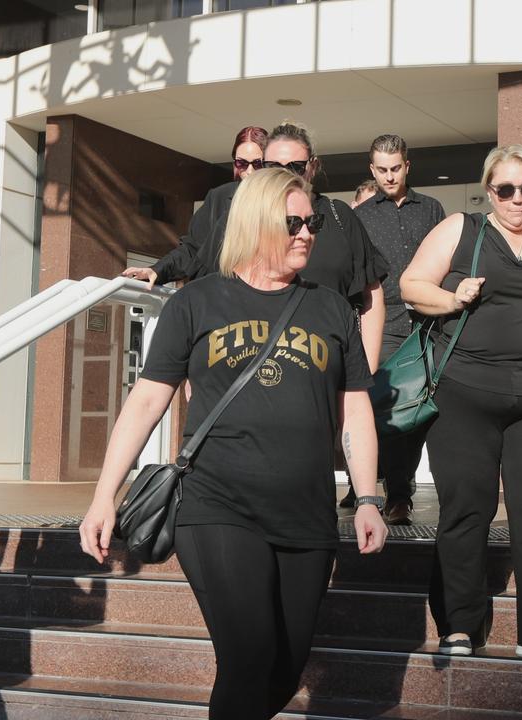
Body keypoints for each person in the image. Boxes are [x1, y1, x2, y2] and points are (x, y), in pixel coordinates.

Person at [78, 167, 388, 719]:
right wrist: (105, 497)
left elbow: (355, 410)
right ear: (257, 223)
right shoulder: (196, 303)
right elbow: (146, 402)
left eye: (311, 222)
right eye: (292, 222)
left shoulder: (333, 309)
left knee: (285, 668)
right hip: (217, 506)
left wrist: (367, 498)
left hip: (307, 513)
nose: (306, 233)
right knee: (248, 655)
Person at [401, 145, 522, 663]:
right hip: (464, 394)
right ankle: (460, 624)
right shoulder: (463, 229)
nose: (517, 199)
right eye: (506, 189)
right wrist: (454, 298)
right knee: (466, 510)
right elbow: (411, 285)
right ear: (490, 191)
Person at [122, 121, 387, 373]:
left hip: (329, 368)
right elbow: (196, 255)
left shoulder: (339, 217)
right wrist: (159, 270)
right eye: (273, 166)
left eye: (296, 166)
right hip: (251, 365)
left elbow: (371, 293)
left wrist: (367, 372)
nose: (284, 174)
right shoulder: (240, 216)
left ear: (312, 167)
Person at [353, 134, 447, 525]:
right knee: (392, 410)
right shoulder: (361, 216)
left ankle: (406, 487)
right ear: (372, 170)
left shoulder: (432, 208)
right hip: (384, 322)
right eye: (382, 170)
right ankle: (398, 494)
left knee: (426, 411)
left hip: (429, 322)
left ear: (408, 166)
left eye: (396, 168)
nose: (390, 176)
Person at [122, 125, 267, 285]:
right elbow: (192, 249)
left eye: (258, 164)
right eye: (242, 163)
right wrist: (157, 270)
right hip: (217, 293)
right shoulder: (219, 197)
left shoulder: (285, 202)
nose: (250, 171)